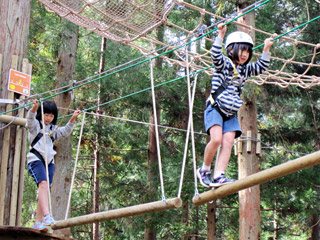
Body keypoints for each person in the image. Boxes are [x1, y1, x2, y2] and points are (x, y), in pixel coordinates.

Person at [197, 24, 275, 188]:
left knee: (228, 141)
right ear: (232, 49)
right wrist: (221, 35)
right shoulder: (224, 64)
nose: (245, 55)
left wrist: (266, 49)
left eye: (248, 52)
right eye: (242, 50)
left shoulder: (246, 70)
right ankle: (204, 170)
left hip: (230, 111)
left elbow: (261, 66)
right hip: (216, 107)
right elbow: (215, 55)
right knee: (217, 139)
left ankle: (219, 175)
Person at [26, 99, 81, 230]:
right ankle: (47, 215)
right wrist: (34, 108)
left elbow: (65, 131)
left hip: (49, 162)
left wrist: (73, 118)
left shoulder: (53, 129)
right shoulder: (36, 126)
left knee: (45, 189)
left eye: (51, 115)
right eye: (46, 115)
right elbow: (29, 120)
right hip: (36, 159)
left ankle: (38, 222)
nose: (49, 118)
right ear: (41, 114)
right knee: (43, 184)